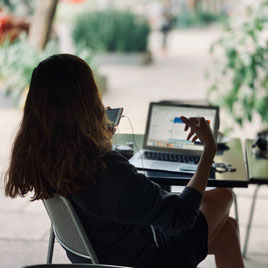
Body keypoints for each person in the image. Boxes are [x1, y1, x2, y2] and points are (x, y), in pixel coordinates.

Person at [4, 54, 244, 268]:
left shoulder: (44, 156)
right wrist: (208, 151)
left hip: (98, 255)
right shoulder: (103, 168)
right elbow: (180, 218)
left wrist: (100, 139)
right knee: (223, 195)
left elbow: (108, 195)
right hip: (148, 260)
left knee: (228, 230)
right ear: (85, 102)